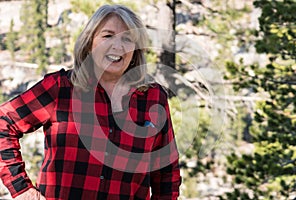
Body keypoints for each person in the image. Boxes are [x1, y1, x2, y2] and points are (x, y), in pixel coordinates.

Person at [0, 4, 181, 200]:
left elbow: (166, 174)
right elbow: (3, 122)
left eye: (127, 39)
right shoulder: (60, 88)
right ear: (89, 42)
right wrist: (21, 189)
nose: (118, 46)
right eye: (108, 35)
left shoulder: (153, 98)